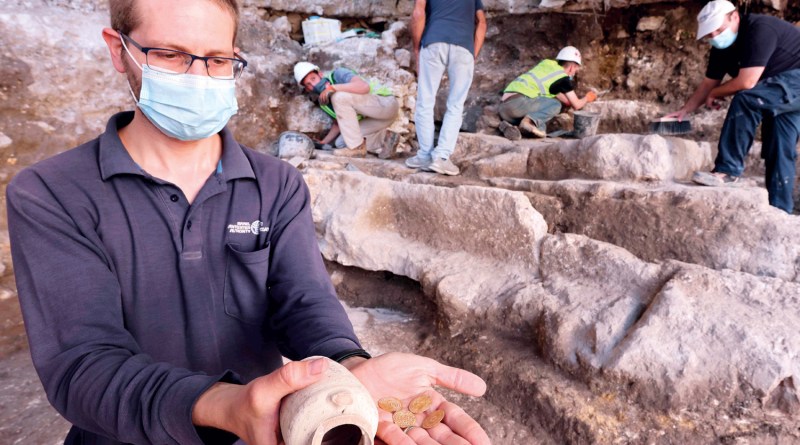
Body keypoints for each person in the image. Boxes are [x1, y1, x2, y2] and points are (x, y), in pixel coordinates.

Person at [5, 1, 492, 444]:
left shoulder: (276, 184)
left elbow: (304, 302)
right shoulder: (51, 194)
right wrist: (226, 406)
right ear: (120, 50)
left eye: (217, 59)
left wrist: (352, 365)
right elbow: (83, 364)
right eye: (171, 55)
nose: (199, 76)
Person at [665, 0, 800, 213]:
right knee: (779, 144)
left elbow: (747, 82)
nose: (716, 37)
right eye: (710, 35)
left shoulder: (760, 30)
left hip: (794, 78)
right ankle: (781, 211)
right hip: (783, 90)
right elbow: (709, 83)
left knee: (745, 99)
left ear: (735, 17)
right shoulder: (723, 47)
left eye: (719, 29)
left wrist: (715, 93)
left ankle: (727, 171)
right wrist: (686, 109)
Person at [406, 0, 487, 176]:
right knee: (456, 104)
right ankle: (441, 157)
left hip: (434, 42)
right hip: (464, 47)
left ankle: (425, 155)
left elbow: (418, 14)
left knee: (425, 101)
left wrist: (416, 48)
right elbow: (482, 22)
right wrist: (472, 54)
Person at [293, 62, 401, 158]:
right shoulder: (324, 102)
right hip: (376, 120)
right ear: (307, 89)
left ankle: (357, 148)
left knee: (338, 97)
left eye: (313, 79)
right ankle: (386, 138)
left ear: (320, 74)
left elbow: (364, 87)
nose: (314, 85)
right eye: (308, 85)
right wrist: (323, 142)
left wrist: (333, 88)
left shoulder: (338, 74)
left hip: (386, 104)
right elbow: (339, 124)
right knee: (342, 143)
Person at [497, 46, 597, 140]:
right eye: (576, 68)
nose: (575, 72)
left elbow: (566, 100)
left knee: (540, 128)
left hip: (504, 108)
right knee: (555, 104)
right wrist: (588, 98)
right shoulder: (562, 78)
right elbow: (576, 105)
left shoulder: (546, 65)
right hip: (518, 103)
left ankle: (509, 127)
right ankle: (527, 123)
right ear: (571, 67)